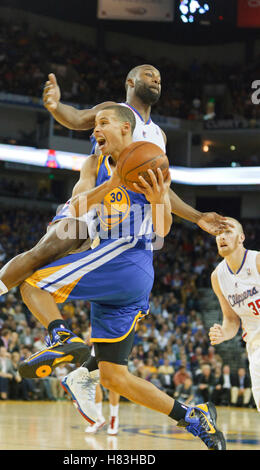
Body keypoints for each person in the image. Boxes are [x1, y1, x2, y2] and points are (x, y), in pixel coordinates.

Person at [0, 65, 231, 344]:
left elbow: (161, 189)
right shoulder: (112, 111)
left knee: (113, 290)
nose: (156, 78)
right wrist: (55, 107)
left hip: (126, 217)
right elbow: (77, 119)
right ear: (130, 81)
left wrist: (197, 217)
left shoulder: (159, 136)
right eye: (149, 74)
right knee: (49, 248)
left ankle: (82, 361)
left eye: (159, 77)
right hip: (94, 195)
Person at [19, 105, 225, 450]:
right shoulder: (93, 165)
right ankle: (192, 416)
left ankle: (63, 339)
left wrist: (160, 199)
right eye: (93, 125)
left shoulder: (148, 164)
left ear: (126, 128)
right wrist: (111, 184)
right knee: (115, 376)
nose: (94, 131)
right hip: (123, 276)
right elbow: (76, 207)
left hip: (126, 256)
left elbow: (162, 229)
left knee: (32, 283)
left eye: (103, 123)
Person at [209, 217, 260, 413]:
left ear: (241, 238)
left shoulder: (256, 261)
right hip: (255, 347)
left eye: (228, 231)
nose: (222, 236)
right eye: (218, 233)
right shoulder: (218, 276)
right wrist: (223, 333)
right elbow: (231, 320)